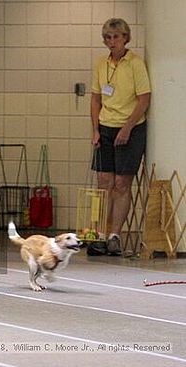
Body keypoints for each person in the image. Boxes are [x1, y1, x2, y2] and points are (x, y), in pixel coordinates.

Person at [90, 18, 151, 255]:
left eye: (116, 37)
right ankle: (100, 235)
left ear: (126, 38)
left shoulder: (135, 63)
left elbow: (144, 98)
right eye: (108, 37)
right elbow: (95, 99)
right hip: (105, 127)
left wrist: (127, 128)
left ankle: (115, 235)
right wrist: (95, 130)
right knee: (104, 183)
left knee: (121, 183)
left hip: (131, 128)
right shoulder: (100, 64)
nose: (112, 41)